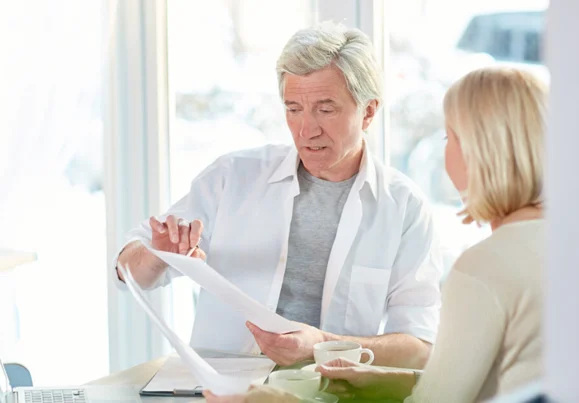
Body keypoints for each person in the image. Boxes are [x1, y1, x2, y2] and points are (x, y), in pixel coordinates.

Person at [206, 66, 547, 402]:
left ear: (481, 151)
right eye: (293, 109)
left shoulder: (484, 268)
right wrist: (384, 380)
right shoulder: (574, 249)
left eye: (449, 137)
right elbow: (471, 384)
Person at [115, 21, 442, 368]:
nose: (306, 129)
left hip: (332, 391)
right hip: (221, 388)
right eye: (293, 108)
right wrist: (157, 256)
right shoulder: (232, 178)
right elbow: (125, 270)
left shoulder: (404, 209)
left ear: (369, 112)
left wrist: (324, 345)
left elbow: (419, 348)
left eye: (326, 109)